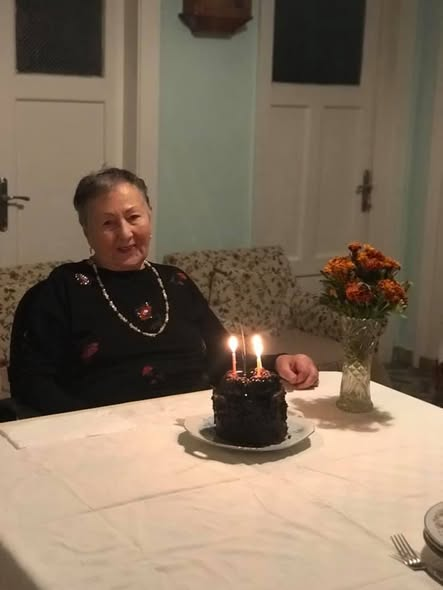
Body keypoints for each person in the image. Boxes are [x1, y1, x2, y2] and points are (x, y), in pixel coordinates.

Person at [9, 167, 318, 416]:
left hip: (193, 424)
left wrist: (277, 362)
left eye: (133, 217)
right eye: (107, 223)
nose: (125, 233)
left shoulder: (175, 281)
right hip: (106, 435)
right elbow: (31, 383)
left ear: (149, 215)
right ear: (87, 231)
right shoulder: (61, 290)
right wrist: (89, 425)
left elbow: (224, 358)